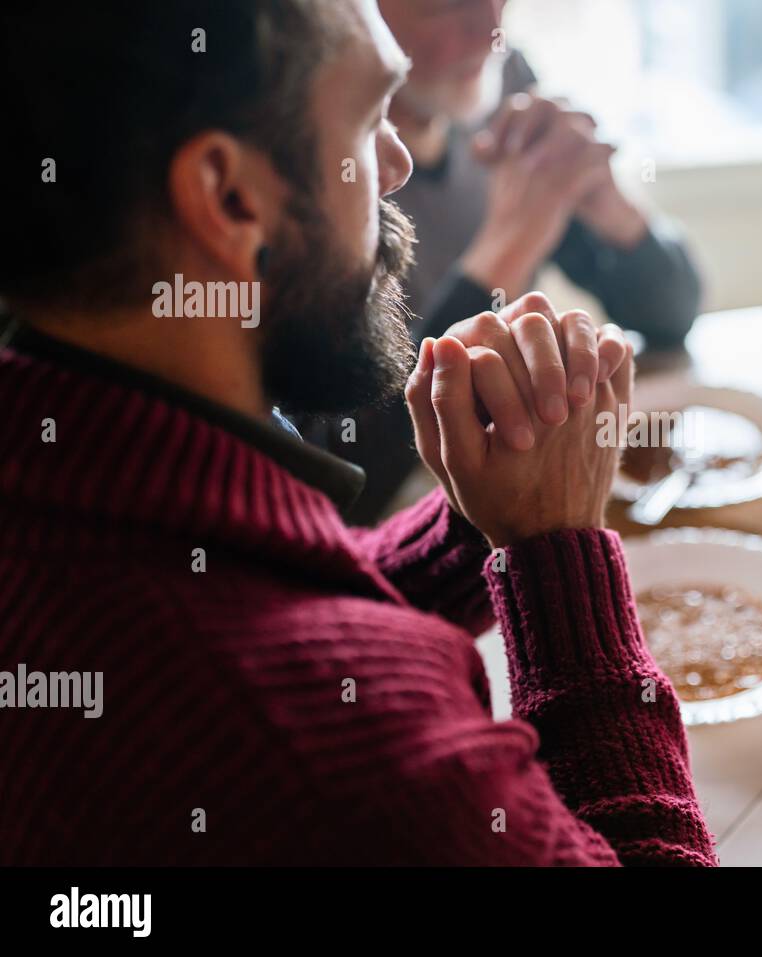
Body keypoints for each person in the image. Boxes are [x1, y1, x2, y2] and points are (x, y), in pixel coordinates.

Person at [0, 0, 716, 867]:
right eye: (372, 115)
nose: (397, 160)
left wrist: (476, 517)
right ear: (230, 197)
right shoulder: (362, 753)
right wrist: (558, 558)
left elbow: (264, 597)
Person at [304, 0, 703, 523]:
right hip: (403, 534)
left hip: (514, 494)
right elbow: (339, 481)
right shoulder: (322, 156)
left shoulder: (499, 81)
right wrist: (505, 251)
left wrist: (613, 210)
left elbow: (671, 314)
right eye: (445, 9)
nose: (491, 30)